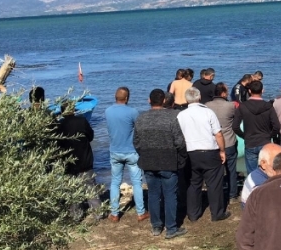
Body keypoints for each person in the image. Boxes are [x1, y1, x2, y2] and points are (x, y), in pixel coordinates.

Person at [134, 88, 188, 239]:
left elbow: (136, 142)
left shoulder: (141, 118)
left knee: (153, 194)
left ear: (149, 101)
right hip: (168, 161)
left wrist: (144, 154)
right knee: (170, 195)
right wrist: (181, 158)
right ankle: (171, 228)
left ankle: (156, 226)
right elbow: (179, 142)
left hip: (149, 161)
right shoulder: (171, 118)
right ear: (164, 100)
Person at [177, 88, 229, 222]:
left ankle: (193, 214)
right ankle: (217, 213)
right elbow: (218, 133)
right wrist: (222, 150)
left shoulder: (181, 115)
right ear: (199, 97)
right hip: (209, 151)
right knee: (214, 183)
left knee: (193, 184)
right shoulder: (208, 112)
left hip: (190, 152)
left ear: (186, 99)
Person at [105, 87, 146, 222]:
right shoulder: (133, 112)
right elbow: (139, 129)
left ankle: (115, 213)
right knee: (137, 182)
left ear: (114, 96)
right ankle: (140, 212)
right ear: (127, 98)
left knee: (115, 182)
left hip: (115, 151)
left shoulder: (108, 111)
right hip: (131, 151)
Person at [56, 100, 100, 221]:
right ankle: (97, 213)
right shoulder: (82, 121)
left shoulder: (60, 124)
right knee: (91, 187)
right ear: (74, 110)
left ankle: (76, 215)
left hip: (69, 162)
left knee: (72, 189)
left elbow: (57, 144)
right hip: (85, 159)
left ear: (62, 111)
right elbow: (90, 136)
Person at [233, 80, 281, 175]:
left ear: (250, 91)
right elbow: (277, 126)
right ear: (262, 91)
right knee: (267, 172)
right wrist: (269, 136)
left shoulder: (243, 107)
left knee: (252, 174)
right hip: (265, 142)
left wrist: (244, 136)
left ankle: (254, 189)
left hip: (250, 142)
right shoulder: (268, 107)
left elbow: (235, 126)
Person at [206, 82, 240, 202]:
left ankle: (217, 194)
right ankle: (232, 195)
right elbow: (236, 122)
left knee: (215, 172)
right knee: (231, 170)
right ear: (223, 93)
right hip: (229, 141)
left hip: (213, 143)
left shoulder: (207, 106)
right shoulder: (230, 106)